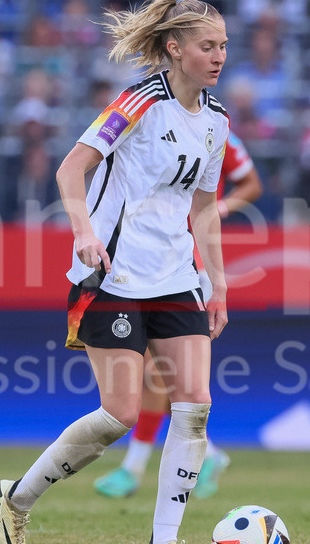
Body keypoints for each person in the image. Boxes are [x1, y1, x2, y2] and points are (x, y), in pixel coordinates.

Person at [0, 0, 231, 544]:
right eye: (207, 45)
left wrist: (217, 283)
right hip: (114, 275)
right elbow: (72, 165)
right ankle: (14, 500)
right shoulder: (139, 101)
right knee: (119, 414)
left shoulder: (217, 122)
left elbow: (203, 208)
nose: (219, 55)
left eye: (223, 45)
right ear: (175, 49)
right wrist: (81, 232)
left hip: (177, 278)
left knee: (193, 406)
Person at [94, 132, 263, 499]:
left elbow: (251, 184)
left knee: (160, 372)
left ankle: (133, 468)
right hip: (156, 254)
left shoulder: (215, 128)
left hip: (191, 259)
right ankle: (209, 455)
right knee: (164, 375)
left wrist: (219, 209)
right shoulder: (152, 124)